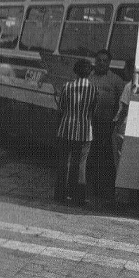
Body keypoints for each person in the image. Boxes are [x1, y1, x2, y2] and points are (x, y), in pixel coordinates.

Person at [55, 59, 97, 205]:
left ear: (75, 71)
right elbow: (93, 110)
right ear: (90, 72)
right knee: (80, 164)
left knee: (64, 162)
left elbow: (61, 108)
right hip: (85, 131)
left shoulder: (67, 86)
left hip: (66, 128)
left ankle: (60, 195)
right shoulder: (93, 89)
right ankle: (78, 197)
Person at [87, 49, 125, 206]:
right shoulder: (89, 77)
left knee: (105, 159)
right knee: (90, 156)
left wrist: (115, 122)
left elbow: (122, 103)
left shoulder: (115, 80)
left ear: (109, 63)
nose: (101, 63)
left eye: (104, 60)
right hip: (90, 123)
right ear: (95, 61)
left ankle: (104, 190)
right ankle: (89, 188)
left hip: (107, 125)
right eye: (99, 60)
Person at [112, 59, 136, 177]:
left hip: (123, 127)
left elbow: (124, 108)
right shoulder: (138, 86)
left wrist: (117, 125)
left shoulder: (128, 86)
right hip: (131, 126)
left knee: (118, 159)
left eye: (126, 68)